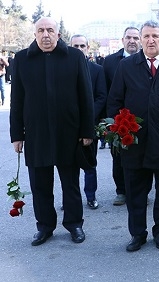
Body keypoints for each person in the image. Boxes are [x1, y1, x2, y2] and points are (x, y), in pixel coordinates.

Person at [108, 20, 159, 252]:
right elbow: (114, 101)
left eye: (155, 35)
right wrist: (118, 131)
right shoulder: (126, 66)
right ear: (141, 39)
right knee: (135, 193)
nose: (150, 40)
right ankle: (137, 234)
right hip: (133, 143)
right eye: (146, 36)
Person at [10, 17, 94, 246]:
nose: (45, 35)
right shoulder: (22, 59)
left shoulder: (75, 57)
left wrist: (87, 130)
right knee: (40, 185)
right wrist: (17, 135)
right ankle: (45, 226)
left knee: (71, 183)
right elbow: (17, 99)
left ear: (58, 33)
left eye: (50, 30)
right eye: (40, 30)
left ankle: (74, 224)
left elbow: (86, 96)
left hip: (69, 132)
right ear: (35, 34)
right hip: (36, 134)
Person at [102, 26, 141, 206]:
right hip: (117, 119)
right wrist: (109, 121)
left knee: (141, 157)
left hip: (140, 119)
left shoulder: (147, 61)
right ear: (122, 40)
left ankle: (141, 191)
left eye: (135, 37)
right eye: (128, 37)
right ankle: (121, 191)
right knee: (118, 156)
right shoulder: (110, 62)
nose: (132, 41)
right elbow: (105, 92)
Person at [70, 34, 107, 209]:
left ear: (87, 48)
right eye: (75, 46)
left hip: (89, 125)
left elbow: (101, 97)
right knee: (68, 167)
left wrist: (88, 117)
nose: (78, 49)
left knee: (89, 164)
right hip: (67, 126)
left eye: (82, 46)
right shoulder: (63, 69)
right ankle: (70, 198)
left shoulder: (97, 70)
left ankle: (90, 196)